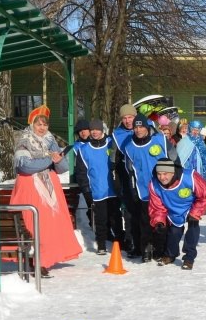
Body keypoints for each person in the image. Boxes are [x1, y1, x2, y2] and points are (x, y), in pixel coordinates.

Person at [11, 105, 82, 274]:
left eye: (45, 125)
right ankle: (33, 258)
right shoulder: (24, 140)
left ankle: (45, 259)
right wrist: (50, 160)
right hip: (30, 188)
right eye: (39, 124)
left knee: (50, 226)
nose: (42, 128)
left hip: (50, 189)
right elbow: (25, 167)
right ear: (32, 124)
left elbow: (63, 167)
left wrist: (57, 159)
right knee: (34, 224)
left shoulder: (51, 140)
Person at [121, 114, 174, 262]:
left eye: (141, 126)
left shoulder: (160, 140)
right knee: (145, 222)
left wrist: (173, 181)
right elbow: (129, 171)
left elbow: (175, 160)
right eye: (136, 127)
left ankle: (161, 249)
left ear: (147, 127)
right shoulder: (129, 147)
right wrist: (132, 191)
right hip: (143, 191)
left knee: (162, 221)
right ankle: (146, 249)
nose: (138, 130)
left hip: (162, 189)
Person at [147, 156, 206, 270]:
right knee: (174, 233)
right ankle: (170, 255)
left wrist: (196, 212)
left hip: (191, 207)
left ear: (172, 173)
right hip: (173, 210)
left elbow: (205, 194)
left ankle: (189, 258)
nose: (162, 177)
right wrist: (159, 221)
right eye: (159, 174)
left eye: (165, 173)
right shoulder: (154, 184)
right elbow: (157, 206)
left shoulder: (189, 177)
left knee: (192, 230)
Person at [71, 120, 123, 255]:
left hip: (112, 189)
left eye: (97, 129)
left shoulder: (111, 143)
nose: (94, 132)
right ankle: (101, 245)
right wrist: (87, 191)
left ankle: (121, 242)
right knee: (100, 219)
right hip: (97, 190)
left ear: (102, 130)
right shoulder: (84, 149)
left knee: (116, 217)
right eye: (92, 130)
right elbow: (82, 174)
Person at [110, 103, 140, 256]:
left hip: (144, 177)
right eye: (125, 118)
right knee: (129, 211)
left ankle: (150, 243)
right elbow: (112, 157)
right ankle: (131, 241)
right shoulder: (117, 134)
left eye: (131, 117)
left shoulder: (146, 129)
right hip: (126, 177)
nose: (128, 121)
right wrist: (115, 177)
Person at [70, 119, 94, 226]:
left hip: (96, 179)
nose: (83, 133)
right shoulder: (74, 147)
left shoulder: (96, 143)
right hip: (83, 181)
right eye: (80, 131)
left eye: (85, 130)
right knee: (90, 203)